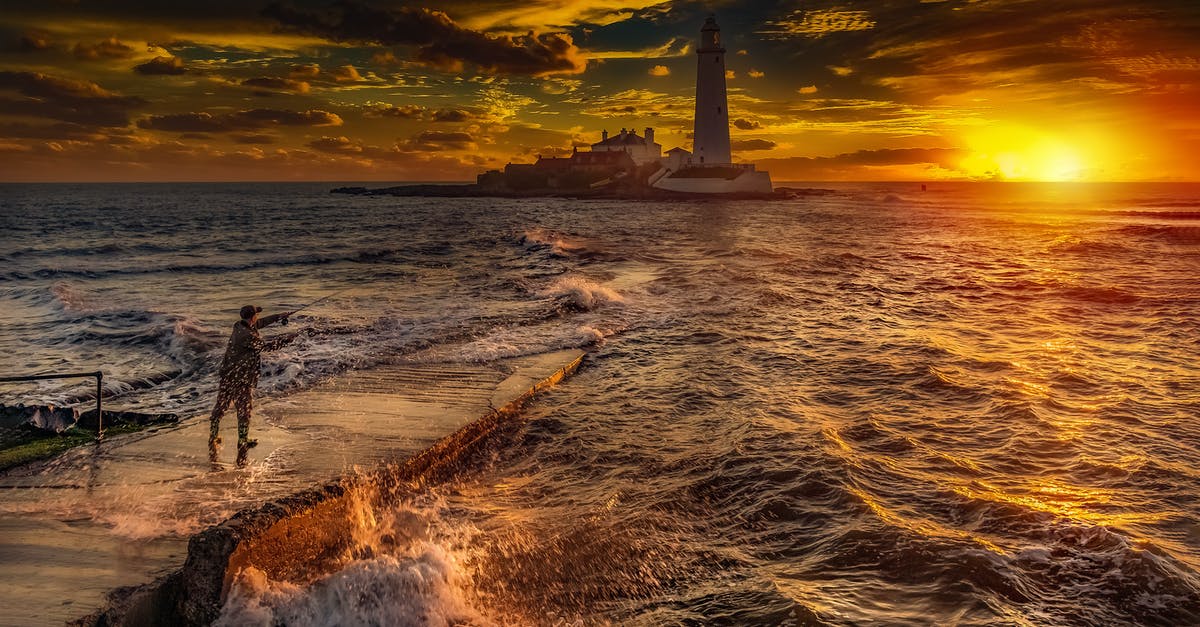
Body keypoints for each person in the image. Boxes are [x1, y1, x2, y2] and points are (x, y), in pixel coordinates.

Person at [209, 304, 297, 450]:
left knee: (221, 406)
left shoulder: (238, 325)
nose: (258, 317)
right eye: (257, 314)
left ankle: (213, 437)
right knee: (244, 410)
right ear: (253, 317)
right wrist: (287, 340)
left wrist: (278, 316)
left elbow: (261, 323)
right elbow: (267, 347)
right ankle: (243, 441)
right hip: (241, 378)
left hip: (228, 374)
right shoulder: (248, 336)